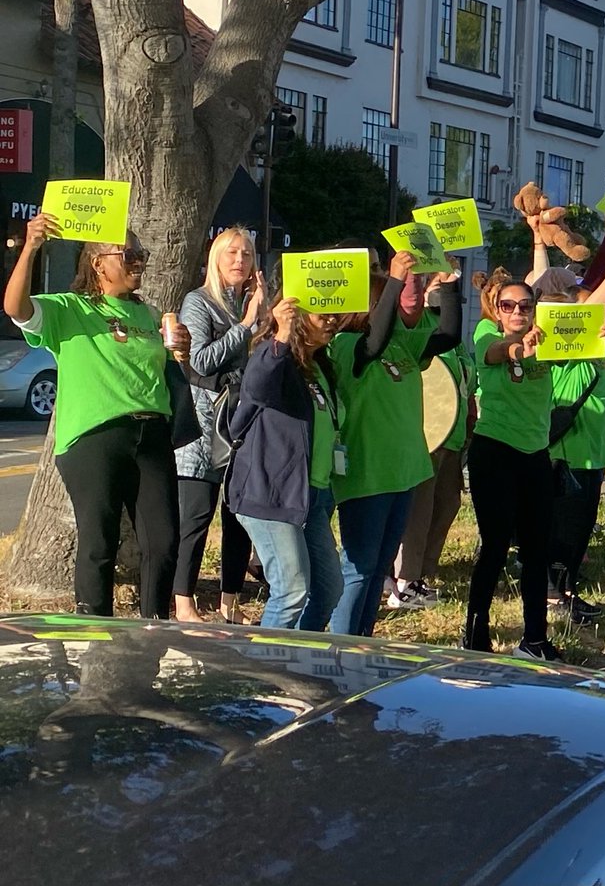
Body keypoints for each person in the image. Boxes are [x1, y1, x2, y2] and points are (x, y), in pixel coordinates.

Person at [3, 212, 191, 618]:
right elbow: (15, 307)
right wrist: (32, 246)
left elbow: (159, 371)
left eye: (141, 253)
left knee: (163, 541)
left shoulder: (148, 314)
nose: (138, 260)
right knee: (99, 542)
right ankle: (95, 633)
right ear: (98, 263)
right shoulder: (69, 309)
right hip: (95, 438)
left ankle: (152, 631)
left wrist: (179, 352)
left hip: (151, 434)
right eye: (128, 253)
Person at [328, 254, 462, 637]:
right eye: (385, 297)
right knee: (360, 565)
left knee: (380, 563)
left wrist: (450, 283)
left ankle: (362, 641)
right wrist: (395, 279)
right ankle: (340, 645)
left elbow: (449, 335)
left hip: (405, 472)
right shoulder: (347, 346)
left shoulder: (402, 347)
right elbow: (373, 342)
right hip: (369, 474)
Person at [225, 290, 349, 631]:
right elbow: (258, 389)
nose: (331, 320)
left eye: (334, 315)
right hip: (271, 493)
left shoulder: (320, 364)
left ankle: (295, 657)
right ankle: (266, 671)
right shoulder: (273, 355)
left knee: (328, 588)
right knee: (291, 590)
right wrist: (280, 335)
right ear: (295, 315)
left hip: (312, 494)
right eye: (321, 313)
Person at [173, 226, 266, 624]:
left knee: (237, 515)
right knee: (196, 514)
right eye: (231, 253)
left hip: (242, 423)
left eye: (246, 254)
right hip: (204, 423)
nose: (239, 261)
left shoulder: (252, 303)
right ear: (215, 257)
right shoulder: (200, 301)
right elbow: (201, 361)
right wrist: (246, 325)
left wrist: (261, 320)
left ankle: (231, 601)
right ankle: (183, 603)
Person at [465, 278, 559, 661]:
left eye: (525, 305)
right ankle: (474, 635)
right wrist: (516, 349)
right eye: (508, 305)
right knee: (495, 546)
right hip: (495, 451)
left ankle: (534, 640)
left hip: (536, 454)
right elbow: (498, 352)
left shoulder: (550, 340)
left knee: (538, 550)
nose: (517, 312)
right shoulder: (486, 336)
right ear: (496, 309)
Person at [545, 245, 605, 624]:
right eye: (585, 315)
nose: (598, 323)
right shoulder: (560, 351)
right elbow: (604, 318)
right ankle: (553, 595)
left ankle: (568, 590)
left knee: (580, 533)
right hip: (568, 456)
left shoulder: (594, 356)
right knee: (561, 532)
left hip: (595, 455)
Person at [388, 272, 476, 610]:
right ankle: (404, 579)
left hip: (452, 437)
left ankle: (421, 576)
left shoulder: (456, 343)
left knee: (445, 507)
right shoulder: (418, 331)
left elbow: (465, 384)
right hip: (425, 437)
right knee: (418, 512)